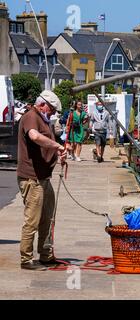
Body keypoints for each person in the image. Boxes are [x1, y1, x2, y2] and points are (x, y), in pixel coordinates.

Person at [17, 90, 67, 271]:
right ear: (43, 104)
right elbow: (34, 136)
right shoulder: (31, 116)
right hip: (32, 178)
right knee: (32, 219)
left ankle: (45, 254)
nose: (53, 113)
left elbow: (44, 142)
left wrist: (57, 152)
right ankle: (26, 259)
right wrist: (57, 145)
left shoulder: (43, 119)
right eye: (52, 109)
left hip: (43, 177)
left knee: (48, 217)